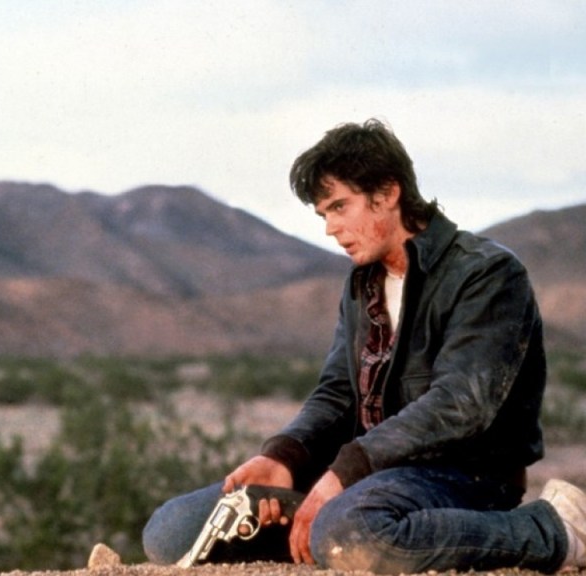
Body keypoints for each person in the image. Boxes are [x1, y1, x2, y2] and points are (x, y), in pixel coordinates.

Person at [141, 118, 585, 573]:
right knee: (174, 530)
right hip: (369, 476)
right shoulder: (361, 284)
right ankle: (339, 534)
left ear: (387, 192)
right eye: (324, 215)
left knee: (352, 532)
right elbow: (337, 394)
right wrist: (283, 457)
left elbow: (460, 405)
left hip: (463, 476)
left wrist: (348, 470)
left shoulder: (486, 274)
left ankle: (553, 530)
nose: (331, 228)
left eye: (340, 207)